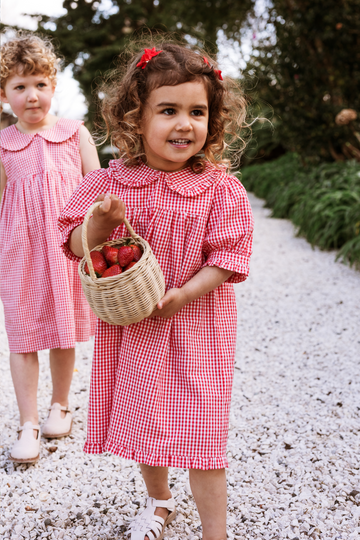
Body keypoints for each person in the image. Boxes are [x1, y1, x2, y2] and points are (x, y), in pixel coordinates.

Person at [58, 42, 253, 540]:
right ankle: (159, 499)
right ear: (134, 118)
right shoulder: (112, 182)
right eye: (168, 111)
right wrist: (98, 227)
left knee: (203, 433)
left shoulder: (219, 188)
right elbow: (74, 245)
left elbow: (228, 259)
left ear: (214, 119)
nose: (185, 123)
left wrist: (186, 293)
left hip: (197, 328)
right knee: (148, 423)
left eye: (197, 111)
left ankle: (216, 532)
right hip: (137, 328)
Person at [0, 33, 100, 464]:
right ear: (3, 94)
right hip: (19, 254)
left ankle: (61, 403)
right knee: (22, 336)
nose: (32, 96)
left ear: (54, 86)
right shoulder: (3, 146)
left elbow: (98, 188)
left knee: (63, 329)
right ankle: (27, 422)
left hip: (65, 250)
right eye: (19, 86)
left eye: (39, 84)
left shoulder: (74, 134)